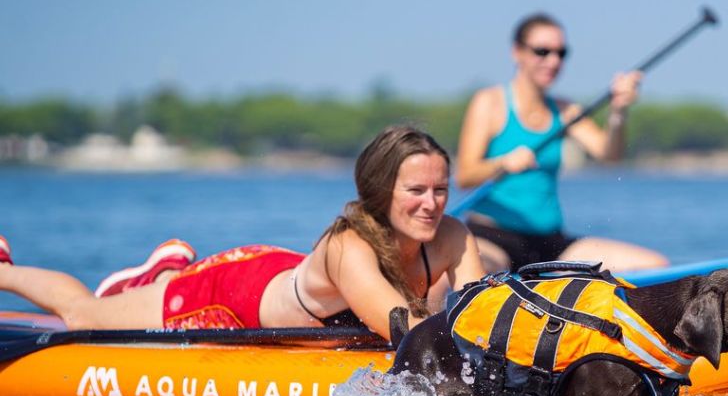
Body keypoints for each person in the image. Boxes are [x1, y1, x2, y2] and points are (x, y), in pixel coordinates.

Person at [0, 125, 484, 342]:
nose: (432, 203)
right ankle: (8, 271)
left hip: (278, 272)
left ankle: (162, 274)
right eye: (416, 189)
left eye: (441, 189)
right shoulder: (348, 245)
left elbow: (480, 311)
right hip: (228, 295)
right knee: (83, 315)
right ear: (381, 190)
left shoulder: (452, 235)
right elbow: (405, 330)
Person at [456, 12, 669, 273]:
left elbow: (609, 155)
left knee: (655, 266)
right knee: (478, 271)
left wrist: (618, 111)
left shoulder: (565, 110)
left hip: (550, 242)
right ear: (517, 52)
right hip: (492, 238)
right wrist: (504, 163)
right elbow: (464, 176)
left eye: (561, 52)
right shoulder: (489, 102)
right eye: (542, 51)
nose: (553, 61)